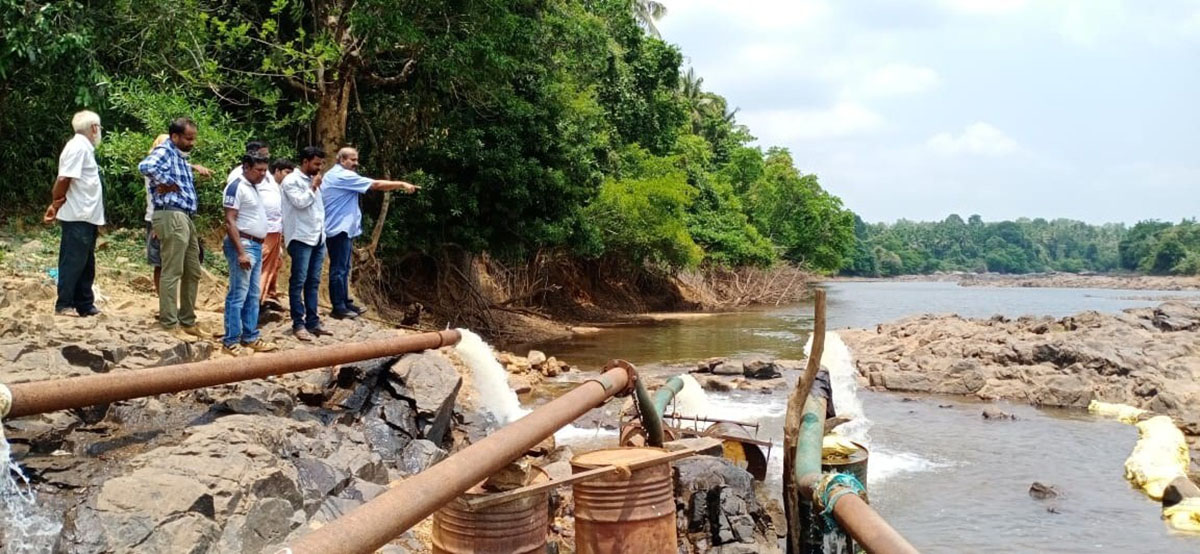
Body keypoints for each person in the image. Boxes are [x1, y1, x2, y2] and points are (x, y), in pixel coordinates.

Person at [322, 147, 418, 319]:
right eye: (352, 160)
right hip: (338, 229)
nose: (356, 163)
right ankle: (338, 307)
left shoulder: (339, 175)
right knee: (338, 269)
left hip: (343, 229)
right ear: (342, 160)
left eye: (356, 159)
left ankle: (345, 302)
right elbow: (376, 185)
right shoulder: (342, 175)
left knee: (344, 268)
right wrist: (401, 184)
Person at [139, 117, 208, 341]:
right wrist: (167, 181)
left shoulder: (179, 156)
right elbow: (146, 166)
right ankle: (169, 323)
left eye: (193, 139)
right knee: (172, 270)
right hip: (171, 212)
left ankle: (187, 320)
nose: (192, 143)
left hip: (184, 215)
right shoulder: (166, 150)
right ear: (175, 137)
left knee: (193, 270)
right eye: (188, 139)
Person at [44, 110, 104, 317]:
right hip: (78, 214)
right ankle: (65, 303)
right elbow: (63, 179)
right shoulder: (78, 147)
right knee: (73, 260)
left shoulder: (84, 148)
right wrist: (56, 203)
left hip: (86, 215)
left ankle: (84, 303)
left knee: (86, 262)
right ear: (94, 128)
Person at [221, 154, 278, 356]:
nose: (263, 174)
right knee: (238, 294)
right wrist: (241, 252)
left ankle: (250, 336)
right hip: (243, 244)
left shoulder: (253, 187)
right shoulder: (236, 187)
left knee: (253, 294)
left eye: (265, 170)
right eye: (259, 170)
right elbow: (230, 221)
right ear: (246, 167)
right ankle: (230, 340)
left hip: (254, 244)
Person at [144, 135, 212, 296]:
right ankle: (165, 306)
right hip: (159, 217)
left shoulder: (171, 165)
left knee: (175, 264)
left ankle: (170, 306)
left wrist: (194, 167)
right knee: (163, 265)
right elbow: (156, 198)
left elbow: (180, 165)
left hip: (175, 217)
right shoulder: (155, 170)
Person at [280, 147, 334, 341]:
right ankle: (298, 323)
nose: (319, 168)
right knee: (298, 281)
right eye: (316, 163)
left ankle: (313, 321)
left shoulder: (314, 180)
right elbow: (300, 203)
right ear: (305, 161)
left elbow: (318, 210)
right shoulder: (291, 181)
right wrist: (312, 187)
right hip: (300, 237)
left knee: (313, 282)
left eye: (321, 164)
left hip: (318, 237)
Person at [227, 141, 284, 309]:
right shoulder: (239, 176)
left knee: (269, 267)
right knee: (249, 276)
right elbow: (233, 211)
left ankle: (262, 301)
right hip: (250, 232)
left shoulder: (265, 174)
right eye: (263, 155)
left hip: (270, 228)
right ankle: (244, 315)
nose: (267, 158)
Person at [259, 158, 294, 310]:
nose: (289, 177)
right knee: (262, 264)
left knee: (275, 263)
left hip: (276, 231)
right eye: (286, 172)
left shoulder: (281, 188)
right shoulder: (265, 184)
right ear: (277, 171)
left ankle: (268, 295)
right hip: (264, 231)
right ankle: (257, 300)